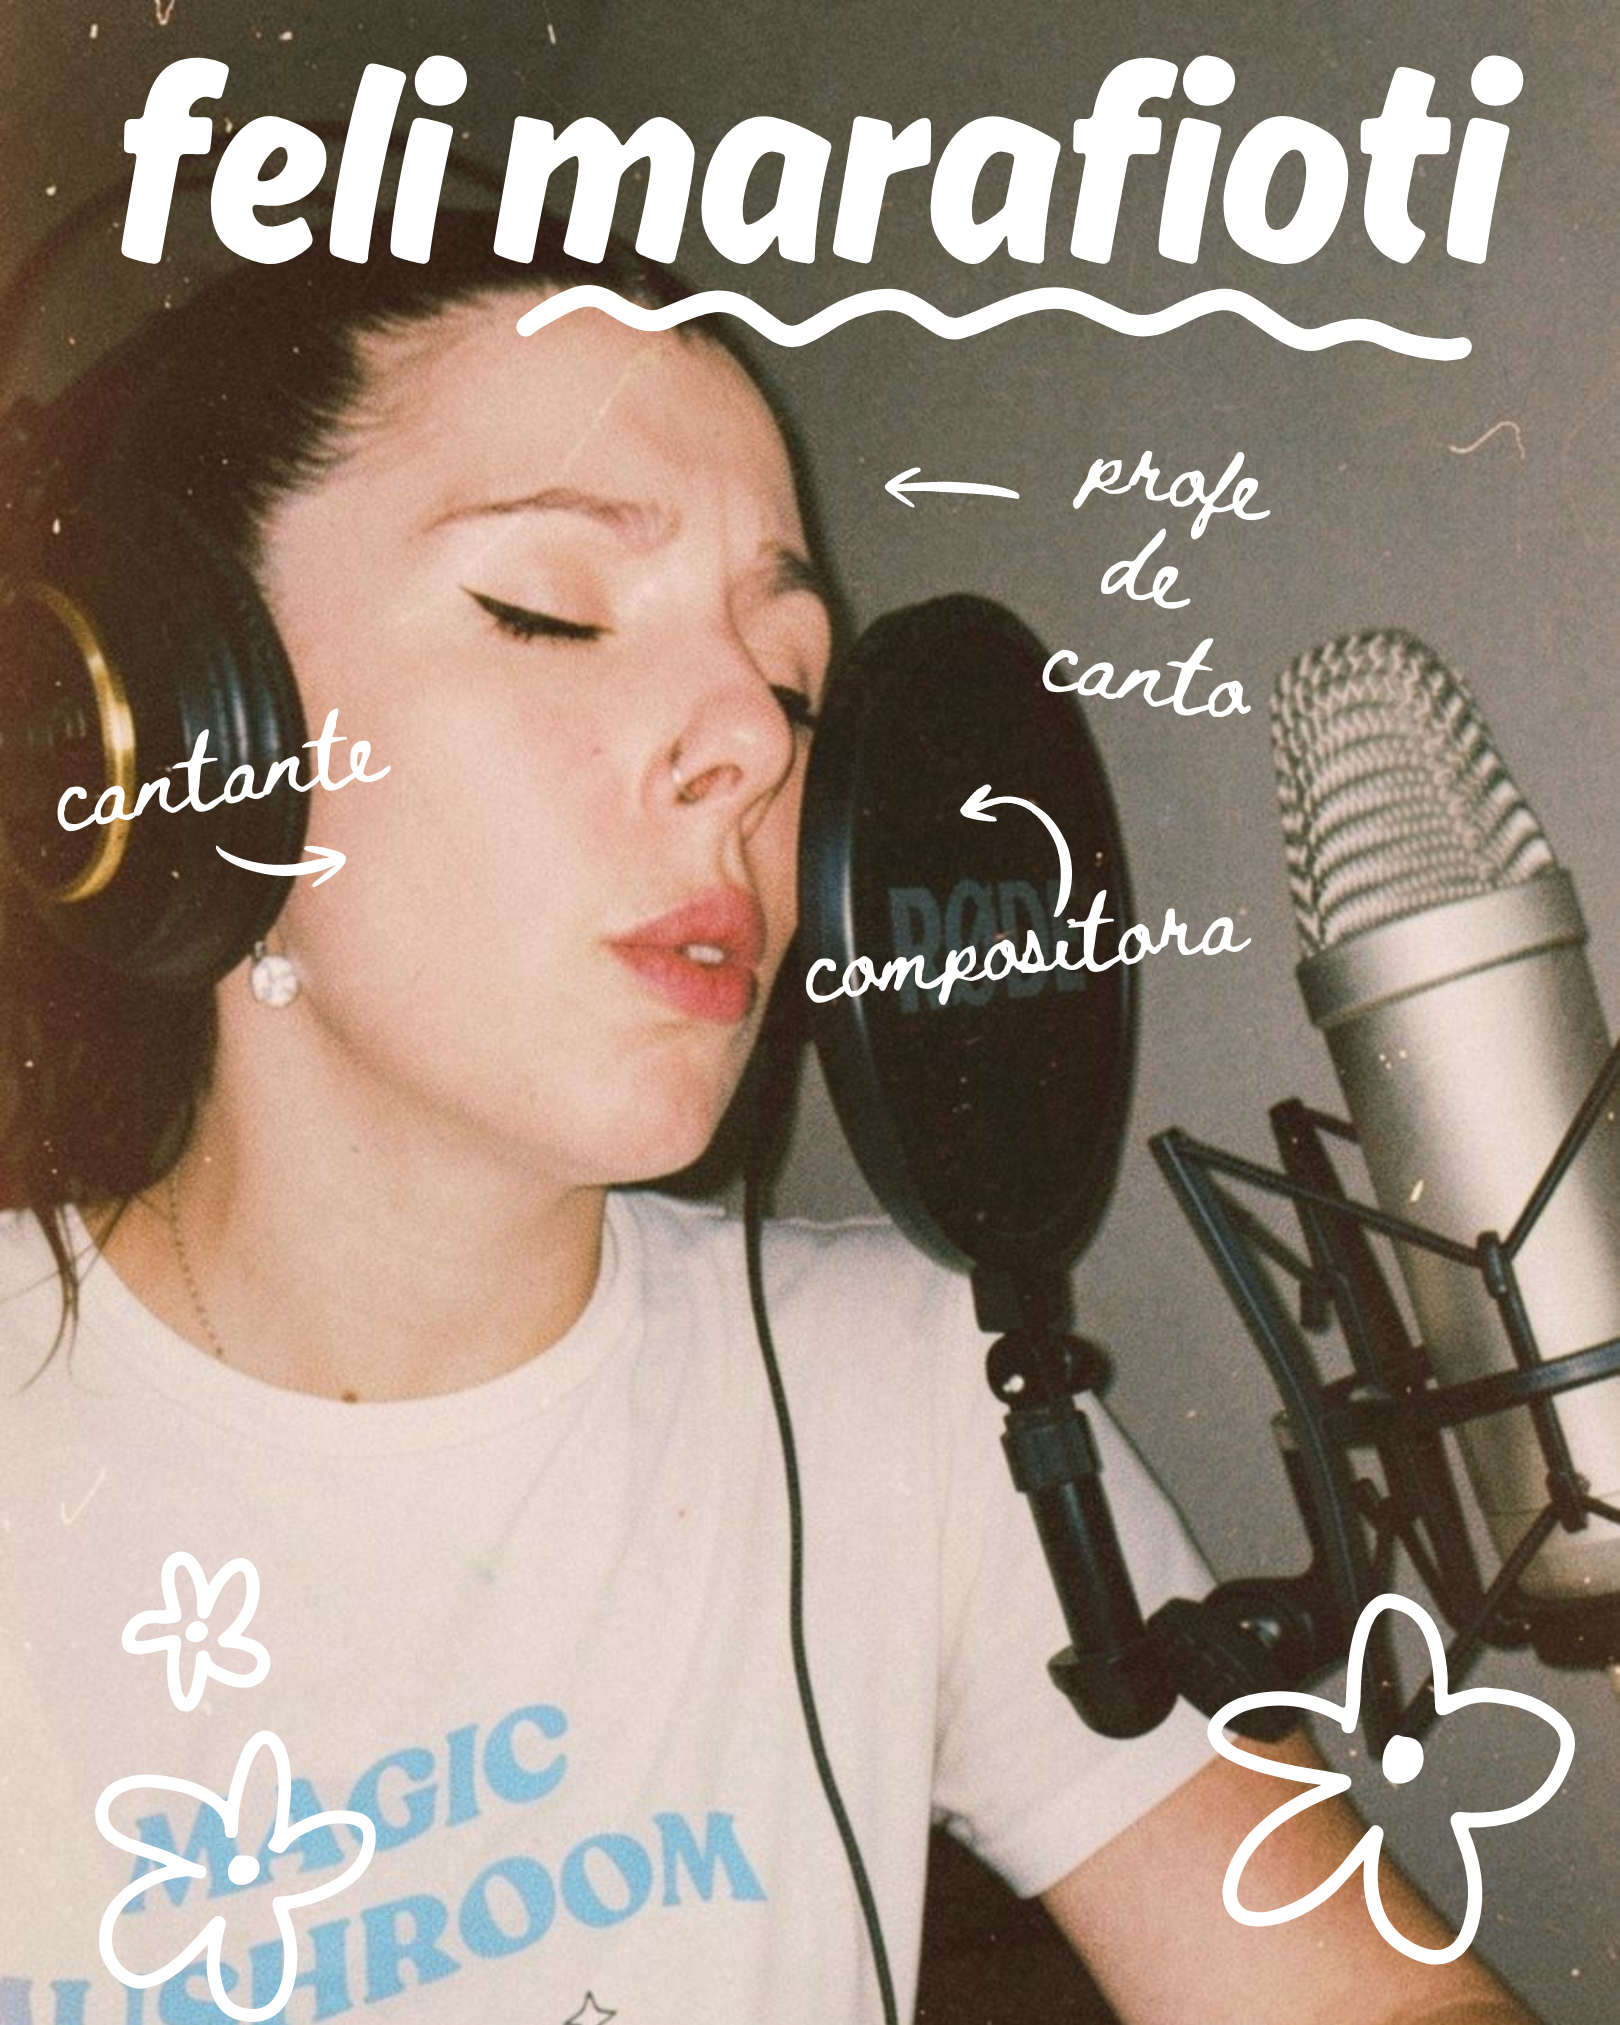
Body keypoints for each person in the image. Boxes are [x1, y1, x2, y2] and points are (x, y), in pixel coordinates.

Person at [0, 214, 1537, 2024]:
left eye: (795, 680)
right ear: (180, 728)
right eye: (552, 609)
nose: (754, 736)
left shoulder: (921, 1389)